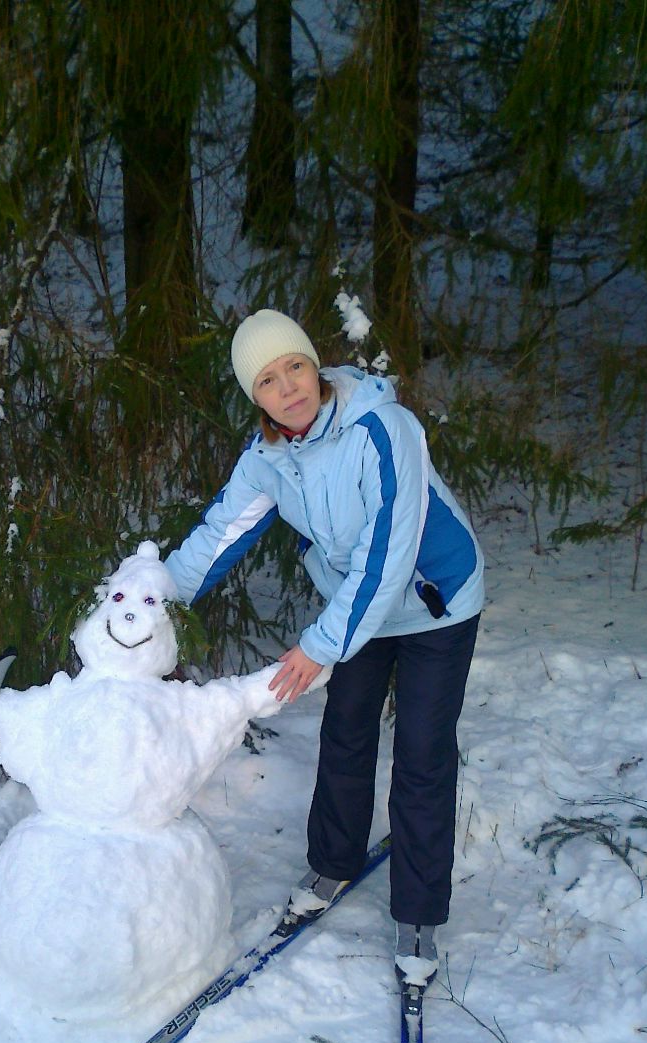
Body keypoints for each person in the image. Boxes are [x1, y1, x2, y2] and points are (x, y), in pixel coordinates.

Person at [165, 309, 484, 985]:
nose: (289, 387)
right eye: (269, 380)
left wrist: (320, 644)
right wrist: (145, 605)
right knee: (345, 732)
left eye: (296, 367)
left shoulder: (382, 428)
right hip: (357, 609)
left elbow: (387, 554)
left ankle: (421, 914)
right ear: (255, 397)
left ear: (315, 366)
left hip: (435, 603)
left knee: (423, 752)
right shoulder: (269, 458)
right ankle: (333, 863)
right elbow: (217, 537)